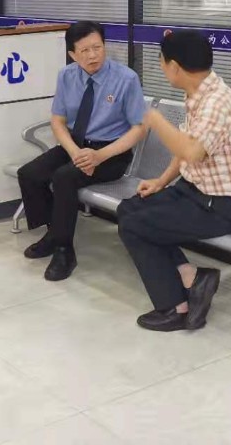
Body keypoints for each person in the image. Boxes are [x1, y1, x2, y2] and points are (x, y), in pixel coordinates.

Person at [117, 29, 231, 332]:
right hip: (195, 191)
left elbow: (192, 151)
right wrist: (161, 181)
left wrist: (155, 120)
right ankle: (191, 276)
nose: (161, 66)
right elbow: (186, 147)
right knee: (129, 209)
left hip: (223, 206)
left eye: (161, 61)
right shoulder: (200, 92)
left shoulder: (215, 103)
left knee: (135, 226)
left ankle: (175, 308)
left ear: (174, 66)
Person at [17, 21, 147, 281]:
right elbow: (58, 121)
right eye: (84, 50)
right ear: (73, 54)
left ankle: (64, 251)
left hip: (110, 154)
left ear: (105, 46)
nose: (92, 55)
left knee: (64, 177)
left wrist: (99, 156)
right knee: (29, 174)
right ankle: (53, 234)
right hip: (75, 146)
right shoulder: (67, 76)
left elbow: (139, 128)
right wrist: (74, 151)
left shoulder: (126, 79)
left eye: (97, 47)